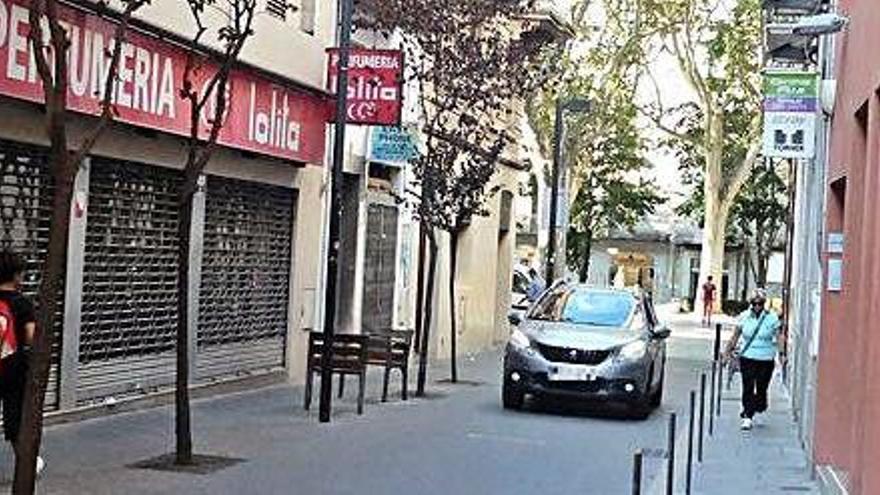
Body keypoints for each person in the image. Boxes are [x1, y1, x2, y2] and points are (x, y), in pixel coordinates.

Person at [0, 250, 44, 474]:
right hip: (13, 369)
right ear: (17, 275)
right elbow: (30, 337)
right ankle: (27, 464)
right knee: (14, 418)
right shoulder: (23, 303)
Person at [723, 290, 782, 431]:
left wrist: (782, 353)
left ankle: (760, 406)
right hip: (748, 357)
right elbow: (735, 336)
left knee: (762, 387)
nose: (757, 306)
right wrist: (727, 352)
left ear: (764, 304)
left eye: (760, 303)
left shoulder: (772, 318)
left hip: (766, 358)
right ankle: (747, 416)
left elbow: (779, 337)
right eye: (754, 303)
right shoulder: (744, 317)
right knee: (748, 385)